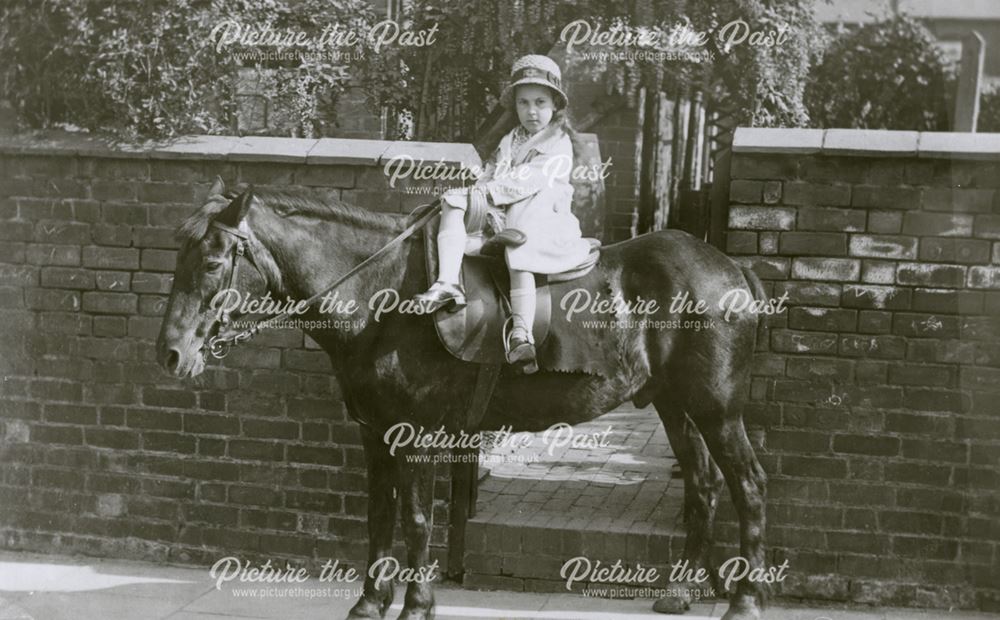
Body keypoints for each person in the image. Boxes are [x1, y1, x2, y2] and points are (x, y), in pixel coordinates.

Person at [413, 54, 593, 373]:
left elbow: (529, 180)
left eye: (540, 102)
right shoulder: (512, 139)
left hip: (543, 215)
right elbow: (495, 170)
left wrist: (486, 192)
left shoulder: (558, 142)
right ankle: (447, 282)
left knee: (520, 249)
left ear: (555, 106)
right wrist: (477, 187)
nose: (531, 111)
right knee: (452, 204)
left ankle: (522, 333)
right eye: (523, 103)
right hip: (507, 210)